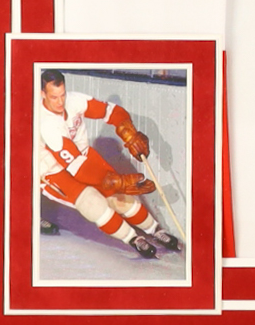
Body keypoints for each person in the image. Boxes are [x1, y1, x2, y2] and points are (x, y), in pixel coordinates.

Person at [37, 69, 182, 258]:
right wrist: (116, 181)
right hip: (54, 169)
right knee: (92, 203)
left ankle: (154, 230)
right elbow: (78, 169)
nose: (60, 102)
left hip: (82, 155)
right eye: (54, 97)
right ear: (42, 94)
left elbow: (112, 111)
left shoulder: (74, 100)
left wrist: (127, 130)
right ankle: (132, 238)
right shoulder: (46, 124)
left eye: (62, 95)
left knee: (120, 197)